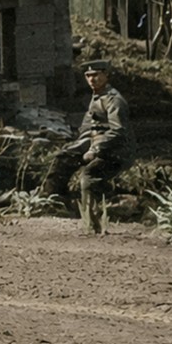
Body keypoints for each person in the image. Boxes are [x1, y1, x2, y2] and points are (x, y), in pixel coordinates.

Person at [43, 59, 135, 226]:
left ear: (106, 75)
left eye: (96, 75)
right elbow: (88, 128)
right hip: (97, 142)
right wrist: (77, 145)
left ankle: (92, 221)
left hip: (117, 149)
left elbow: (118, 132)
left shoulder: (114, 100)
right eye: (88, 76)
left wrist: (95, 150)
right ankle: (54, 203)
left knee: (89, 175)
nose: (92, 80)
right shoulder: (97, 96)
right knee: (63, 157)